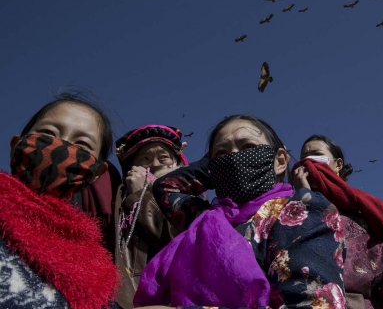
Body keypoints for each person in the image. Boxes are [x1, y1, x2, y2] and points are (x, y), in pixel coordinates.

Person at [134, 115, 346, 308]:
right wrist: (215, 167)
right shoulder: (205, 219)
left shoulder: (299, 210)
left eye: (248, 147)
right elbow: (165, 187)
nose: (234, 159)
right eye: (222, 154)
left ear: (280, 161)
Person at [0, 93, 119, 308]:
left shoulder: (96, 268)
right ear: (16, 146)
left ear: (97, 173)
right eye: (47, 132)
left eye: (82, 145)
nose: (61, 145)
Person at [292, 134, 383, 309]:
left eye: (317, 154)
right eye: (304, 157)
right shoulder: (286, 212)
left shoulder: (363, 212)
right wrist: (303, 198)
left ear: (338, 164)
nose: (308, 162)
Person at [114, 125, 190, 308]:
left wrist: (141, 195)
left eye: (163, 157)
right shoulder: (116, 195)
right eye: (145, 158)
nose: (155, 164)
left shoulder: (190, 197)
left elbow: (179, 245)